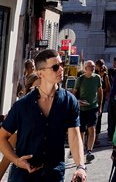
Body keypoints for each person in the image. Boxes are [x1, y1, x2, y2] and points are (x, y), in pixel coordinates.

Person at [0, 48, 87, 182]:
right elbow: (2, 137)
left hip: (54, 174)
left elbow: (74, 138)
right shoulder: (22, 105)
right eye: (55, 67)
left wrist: (80, 166)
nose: (61, 69)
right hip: (24, 176)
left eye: (61, 65)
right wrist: (17, 161)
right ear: (40, 73)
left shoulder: (69, 101)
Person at [72, 60, 102, 162]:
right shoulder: (80, 79)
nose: (92, 68)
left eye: (93, 66)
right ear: (85, 68)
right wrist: (78, 101)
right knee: (81, 132)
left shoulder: (97, 78)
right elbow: (74, 93)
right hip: (82, 109)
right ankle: (81, 150)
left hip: (93, 107)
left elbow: (100, 91)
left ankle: (89, 151)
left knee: (92, 128)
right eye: (90, 66)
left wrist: (100, 105)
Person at [94, 59, 111, 142]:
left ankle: (96, 138)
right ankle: (92, 137)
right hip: (93, 98)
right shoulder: (94, 74)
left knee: (99, 117)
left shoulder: (105, 76)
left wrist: (100, 90)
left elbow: (108, 88)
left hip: (101, 98)